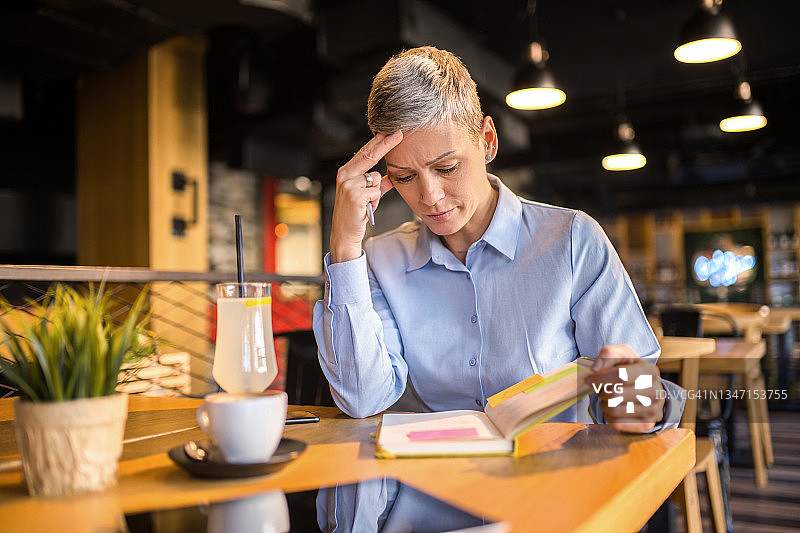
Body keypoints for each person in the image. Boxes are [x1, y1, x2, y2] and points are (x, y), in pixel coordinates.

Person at [312, 46, 684, 433]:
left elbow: (641, 408)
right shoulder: (378, 260)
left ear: (487, 140)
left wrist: (635, 401)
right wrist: (344, 246)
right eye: (404, 177)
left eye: (447, 167)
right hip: (430, 484)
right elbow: (362, 399)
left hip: (548, 482)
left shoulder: (571, 240)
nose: (430, 196)